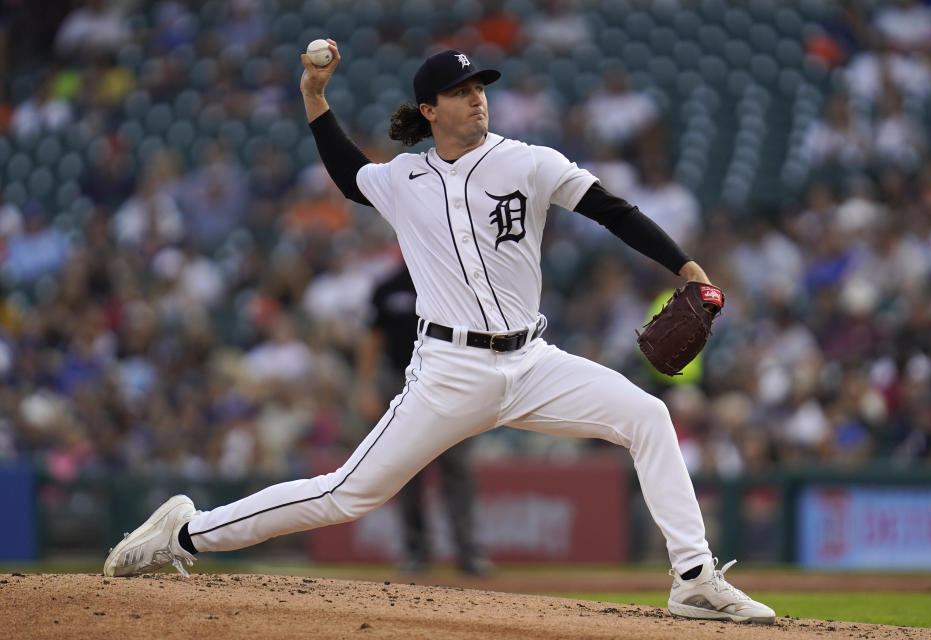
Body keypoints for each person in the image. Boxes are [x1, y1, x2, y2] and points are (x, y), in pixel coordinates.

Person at [103, 42, 776, 625]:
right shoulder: (405, 178)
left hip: (532, 362)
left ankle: (694, 581)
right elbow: (346, 174)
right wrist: (313, 96)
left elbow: (613, 209)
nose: (475, 99)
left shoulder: (530, 162)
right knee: (347, 495)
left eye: (478, 87)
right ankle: (185, 535)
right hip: (448, 371)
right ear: (429, 110)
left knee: (649, 416)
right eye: (459, 91)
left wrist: (686, 267)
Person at [355, 261, 489, 575]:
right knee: (406, 471)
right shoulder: (389, 287)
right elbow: (372, 339)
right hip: (400, 379)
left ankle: (470, 553)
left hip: (449, 381)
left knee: (457, 470)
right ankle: (416, 552)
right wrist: (365, 386)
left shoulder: (450, 282)